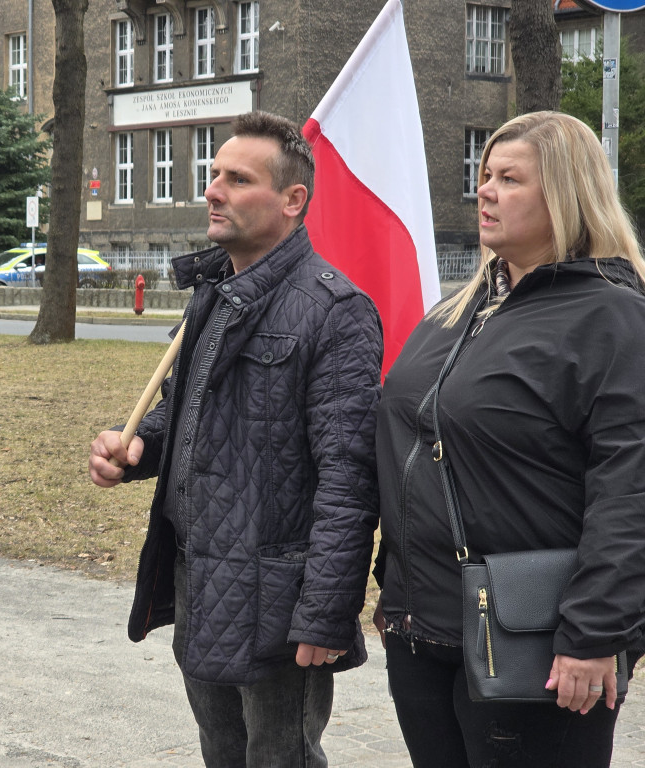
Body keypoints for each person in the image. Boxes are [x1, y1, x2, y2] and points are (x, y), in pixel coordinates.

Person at [88, 111, 383, 768]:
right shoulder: (213, 293)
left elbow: (349, 472)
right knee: (221, 753)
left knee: (280, 758)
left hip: (277, 598)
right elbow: (186, 411)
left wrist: (326, 612)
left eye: (237, 178)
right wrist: (139, 447)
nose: (213, 189)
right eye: (213, 173)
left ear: (292, 200)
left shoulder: (335, 311)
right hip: (202, 577)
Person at [373, 110, 645, 768]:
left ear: (567, 195)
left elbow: (630, 491)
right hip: (421, 629)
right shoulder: (456, 313)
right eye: (484, 175)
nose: (484, 190)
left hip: (539, 643)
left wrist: (594, 634)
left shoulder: (615, 317)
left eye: (509, 179)